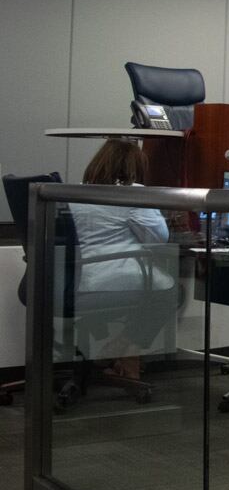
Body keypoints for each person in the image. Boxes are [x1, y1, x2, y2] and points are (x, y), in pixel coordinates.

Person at [69, 138, 176, 381]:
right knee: (170, 290)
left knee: (159, 287)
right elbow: (159, 237)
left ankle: (125, 354)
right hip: (111, 277)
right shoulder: (131, 193)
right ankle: (127, 350)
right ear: (134, 167)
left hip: (71, 279)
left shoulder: (73, 191)